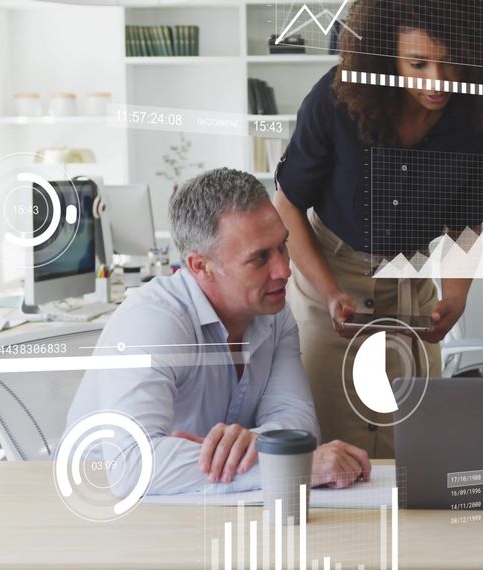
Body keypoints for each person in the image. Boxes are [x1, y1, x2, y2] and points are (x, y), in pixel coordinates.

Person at [273, 0, 483, 457]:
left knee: (414, 450)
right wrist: (329, 292)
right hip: (328, 282)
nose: (437, 81)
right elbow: (288, 205)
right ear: (384, 54)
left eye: (451, 62)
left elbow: (467, 221)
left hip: (411, 286)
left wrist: (456, 295)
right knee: (331, 450)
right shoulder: (336, 100)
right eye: (418, 64)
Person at [67, 168, 371, 495]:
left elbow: (298, 424)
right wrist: (290, 465)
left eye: (282, 246)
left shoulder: (274, 314)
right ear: (201, 267)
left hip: (195, 501)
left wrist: (250, 445)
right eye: (260, 258)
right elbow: (130, 464)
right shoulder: (152, 321)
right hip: (93, 502)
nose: (284, 270)